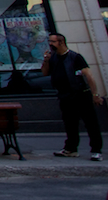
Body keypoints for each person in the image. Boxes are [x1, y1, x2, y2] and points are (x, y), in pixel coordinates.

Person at [42, 32, 104, 160]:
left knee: (90, 123)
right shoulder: (53, 58)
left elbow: (89, 76)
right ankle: (71, 148)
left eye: (53, 42)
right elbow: (45, 73)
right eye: (50, 41)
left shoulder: (75, 57)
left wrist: (95, 94)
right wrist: (46, 61)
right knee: (70, 123)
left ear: (61, 42)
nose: (50, 44)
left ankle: (96, 150)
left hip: (81, 94)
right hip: (65, 95)